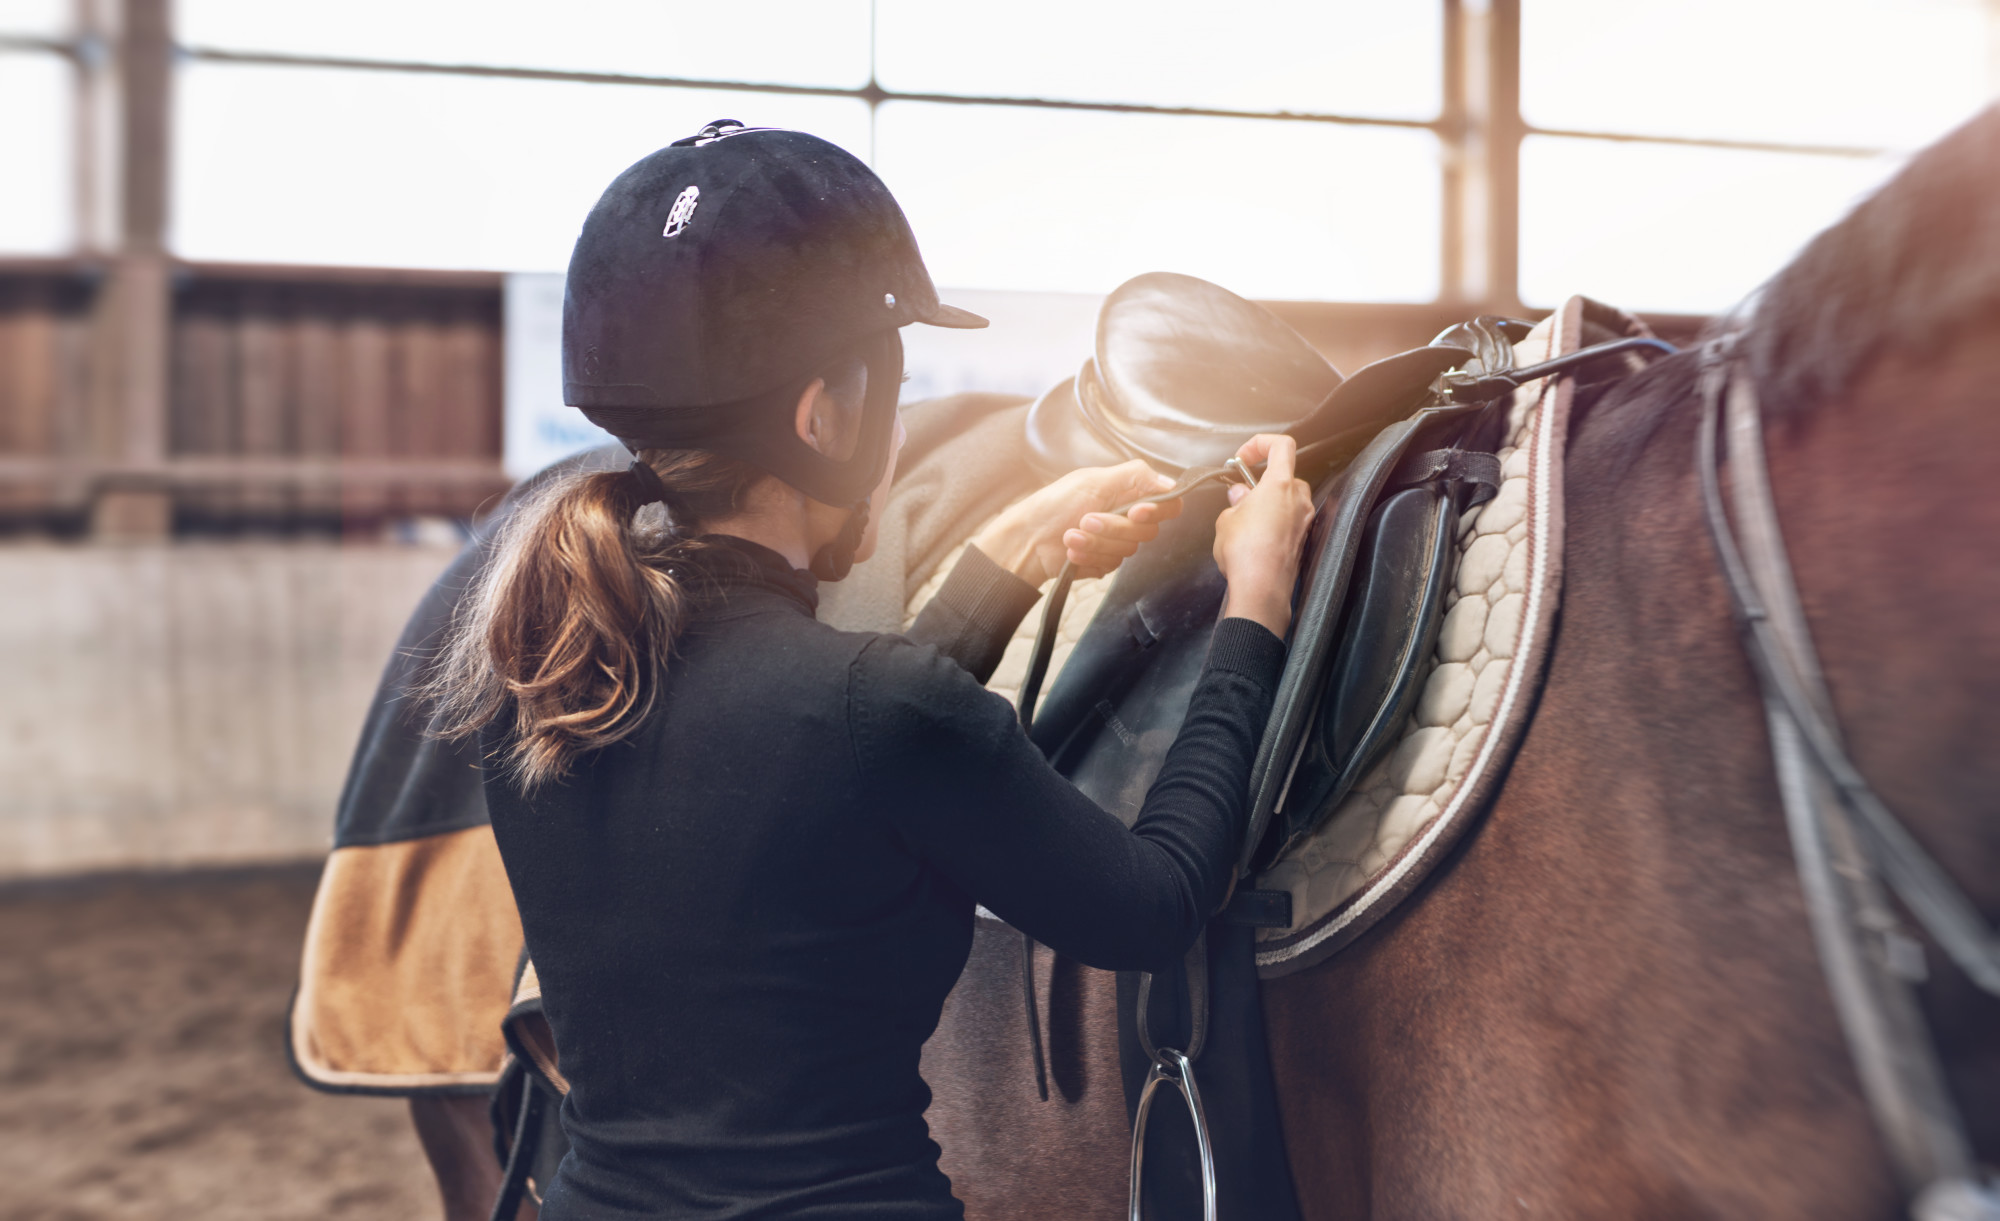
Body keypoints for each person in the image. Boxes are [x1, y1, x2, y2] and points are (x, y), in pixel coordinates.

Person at [428, 121, 1314, 1221]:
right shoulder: (871, 710)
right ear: (825, 415)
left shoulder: (546, 687)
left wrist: (1010, 563)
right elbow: (1153, 906)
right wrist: (1254, 608)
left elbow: (809, 770)